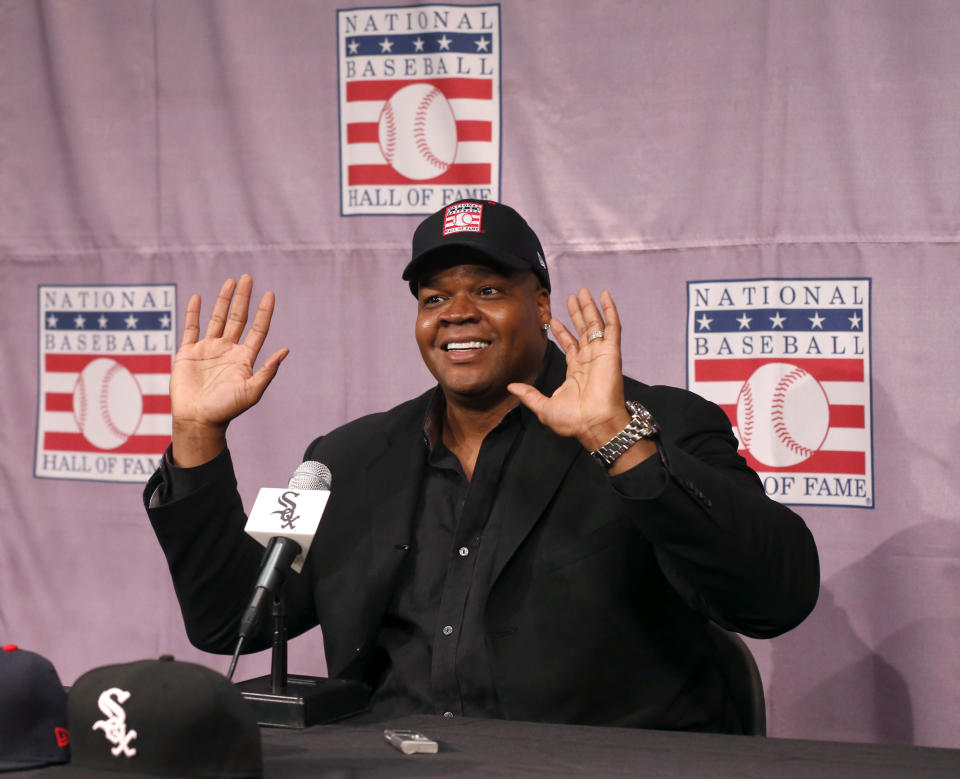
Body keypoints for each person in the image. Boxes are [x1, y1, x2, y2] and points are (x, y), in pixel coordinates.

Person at [145, 200, 819, 733]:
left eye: (489, 288)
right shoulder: (344, 459)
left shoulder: (652, 425)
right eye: (433, 297)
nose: (456, 313)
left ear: (543, 305)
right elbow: (233, 618)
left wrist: (620, 444)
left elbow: (773, 597)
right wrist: (196, 433)